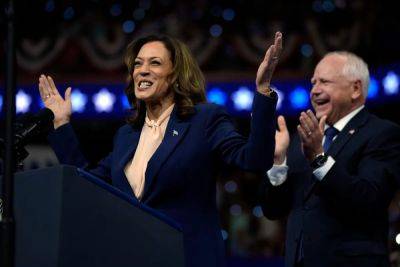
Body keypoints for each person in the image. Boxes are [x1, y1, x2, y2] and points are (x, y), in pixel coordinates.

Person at [38, 33, 282, 267]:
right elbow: (87, 183)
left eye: (155, 63)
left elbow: (254, 159)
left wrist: (262, 92)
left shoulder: (204, 120)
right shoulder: (126, 135)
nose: (142, 70)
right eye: (137, 64)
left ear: (175, 75)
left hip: (188, 259)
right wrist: (61, 124)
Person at [260, 51, 400, 267]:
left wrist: (319, 159)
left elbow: (368, 199)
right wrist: (278, 163)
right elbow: (273, 210)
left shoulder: (382, 134)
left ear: (355, 89)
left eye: (324, 82)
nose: (314, 91)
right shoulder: (304, 139)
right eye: (313, 83)